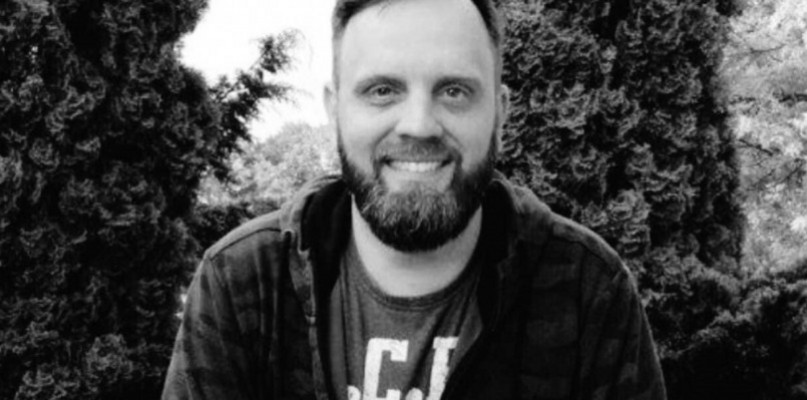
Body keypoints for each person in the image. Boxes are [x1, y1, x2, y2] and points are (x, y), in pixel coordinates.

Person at [162, 0, 667, 398]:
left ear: (500, 113)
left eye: (454, 91)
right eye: (382, 90)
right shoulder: (242, 283)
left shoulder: (587, 291)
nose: (419, 125)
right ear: (335, 111)